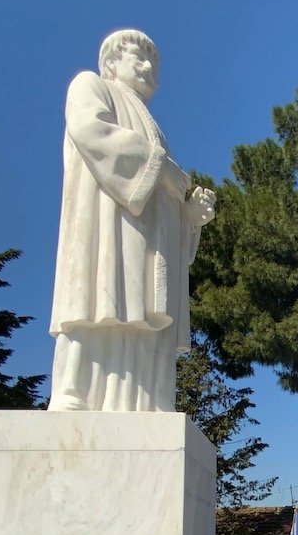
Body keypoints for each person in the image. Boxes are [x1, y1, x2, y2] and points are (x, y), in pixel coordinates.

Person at [48, 30, 216, 412]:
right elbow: (91, 131)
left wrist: (191, 218)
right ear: (111, 62)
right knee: (96, 301)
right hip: (106, 228)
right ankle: (74, 391)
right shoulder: (90, 86)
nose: (148, 68)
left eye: (153, 63)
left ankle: (144, 400)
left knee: (142, 316)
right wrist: (161, 169)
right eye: (138, 58)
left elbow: (164, 197)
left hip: (146, 241)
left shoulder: (153, 125)